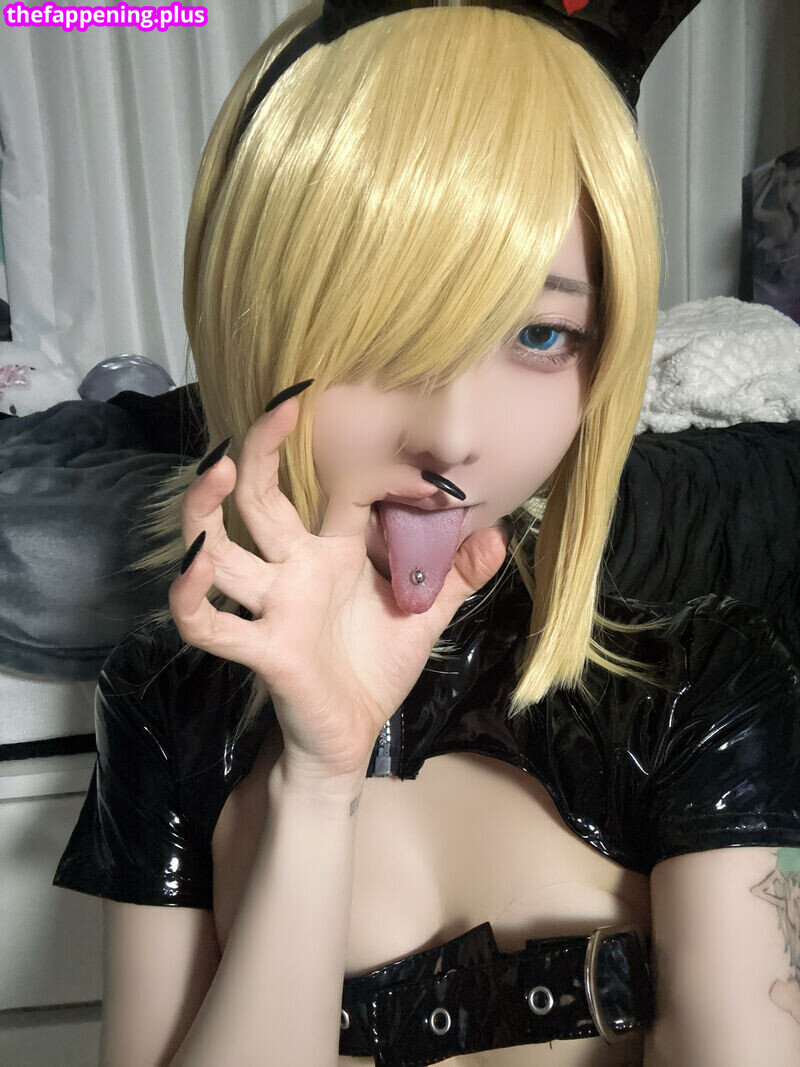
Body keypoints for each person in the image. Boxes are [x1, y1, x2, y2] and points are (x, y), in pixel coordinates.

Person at [52, 2, 800, 1065]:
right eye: (385, 330)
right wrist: (316, 786)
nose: (451, 434)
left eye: (539, 334)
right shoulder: (169, 700)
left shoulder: (704, 684)